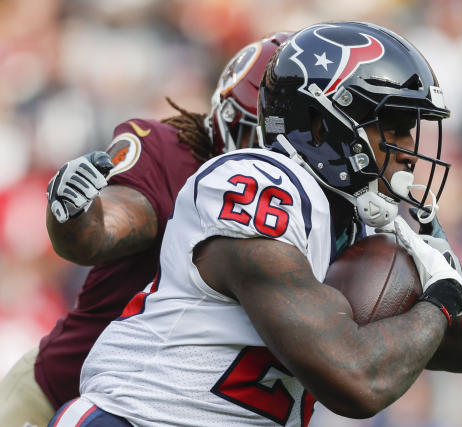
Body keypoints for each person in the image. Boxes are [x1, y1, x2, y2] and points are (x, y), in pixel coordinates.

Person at [50, 22, 462, 427]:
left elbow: (416, 337)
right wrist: (441, 301)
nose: (410, 150)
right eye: (395, 125)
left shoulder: (357, 215)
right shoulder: (258, 183)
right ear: (322, 120)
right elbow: (356, 378)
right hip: (137, 418)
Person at [0, 33, 290, 427]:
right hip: (69, 390)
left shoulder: (327, 218)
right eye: (261, 140)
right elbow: (97, 232)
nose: (276, 162)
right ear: (226, 123)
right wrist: (77, 211)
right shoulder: (174, 158)